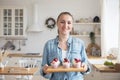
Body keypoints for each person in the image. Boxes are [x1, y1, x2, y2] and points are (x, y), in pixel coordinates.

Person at [40, 12, 91, 80]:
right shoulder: (48, 45)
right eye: (62, 22)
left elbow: (86, 66)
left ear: (72, 25)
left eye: (69, 23)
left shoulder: (79, 43)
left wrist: (85, 67)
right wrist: (45, 70)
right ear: (57, 23)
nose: (65, 25)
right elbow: (43, 69)